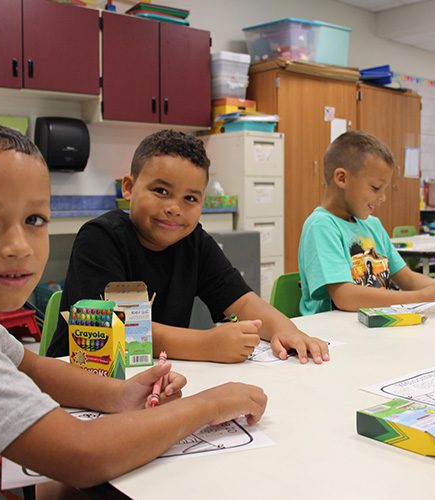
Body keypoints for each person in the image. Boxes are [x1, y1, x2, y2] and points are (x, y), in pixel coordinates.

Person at [0, 118, 267, 497]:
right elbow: (81, 455)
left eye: (34, 220)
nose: (20, 246)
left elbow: (34, 368)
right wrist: (207, 405)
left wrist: (123, 395)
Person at [48, 130, 328, 364]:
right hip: (83, 377)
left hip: (152, 376)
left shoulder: (194, 242)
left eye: (190, 198)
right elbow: (116, 330)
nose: (174, 208)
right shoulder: (100, 239)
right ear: (129, 187)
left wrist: (286, 329)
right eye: (161, 191)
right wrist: (207, 344)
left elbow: (241, 302)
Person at [298, 130, 435, 315]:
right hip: (334, 335)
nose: (382, 198)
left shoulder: (372, 225)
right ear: (342, 178)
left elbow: (407, 278)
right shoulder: (321, 226)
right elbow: (345, 297)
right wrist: (420, 297)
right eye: (375, 188)